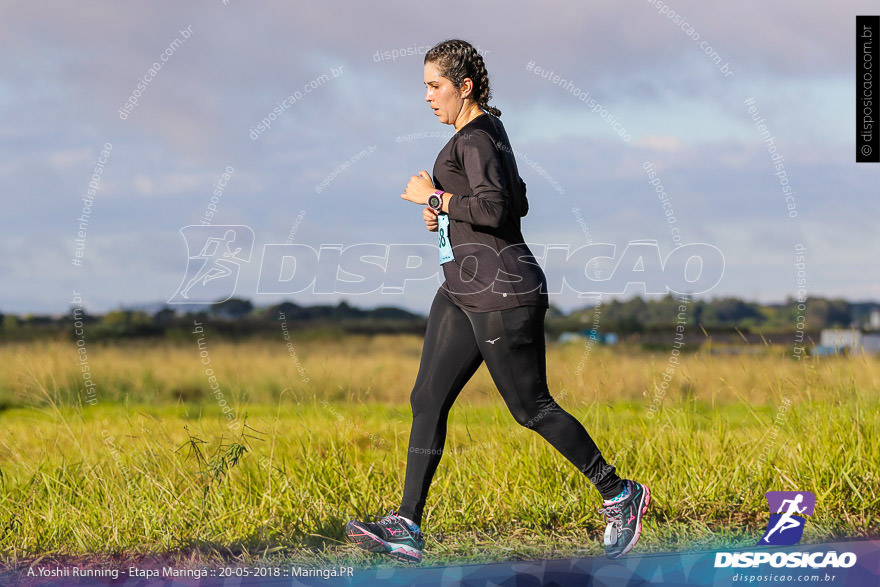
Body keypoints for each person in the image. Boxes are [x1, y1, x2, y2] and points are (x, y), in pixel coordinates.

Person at [345, 39, 649, 564]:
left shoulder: (478, 137)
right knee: (427, 399)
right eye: (424, 87)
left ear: (464, 88)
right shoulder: (486, 134)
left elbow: (497, 209)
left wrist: (434, 198)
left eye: (435, 86)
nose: (427, 97)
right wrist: (446, 215)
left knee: (530, 408)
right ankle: (407, 526)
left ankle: (619, 493)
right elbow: (514, 203)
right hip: (462, 289)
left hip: (501, 291)